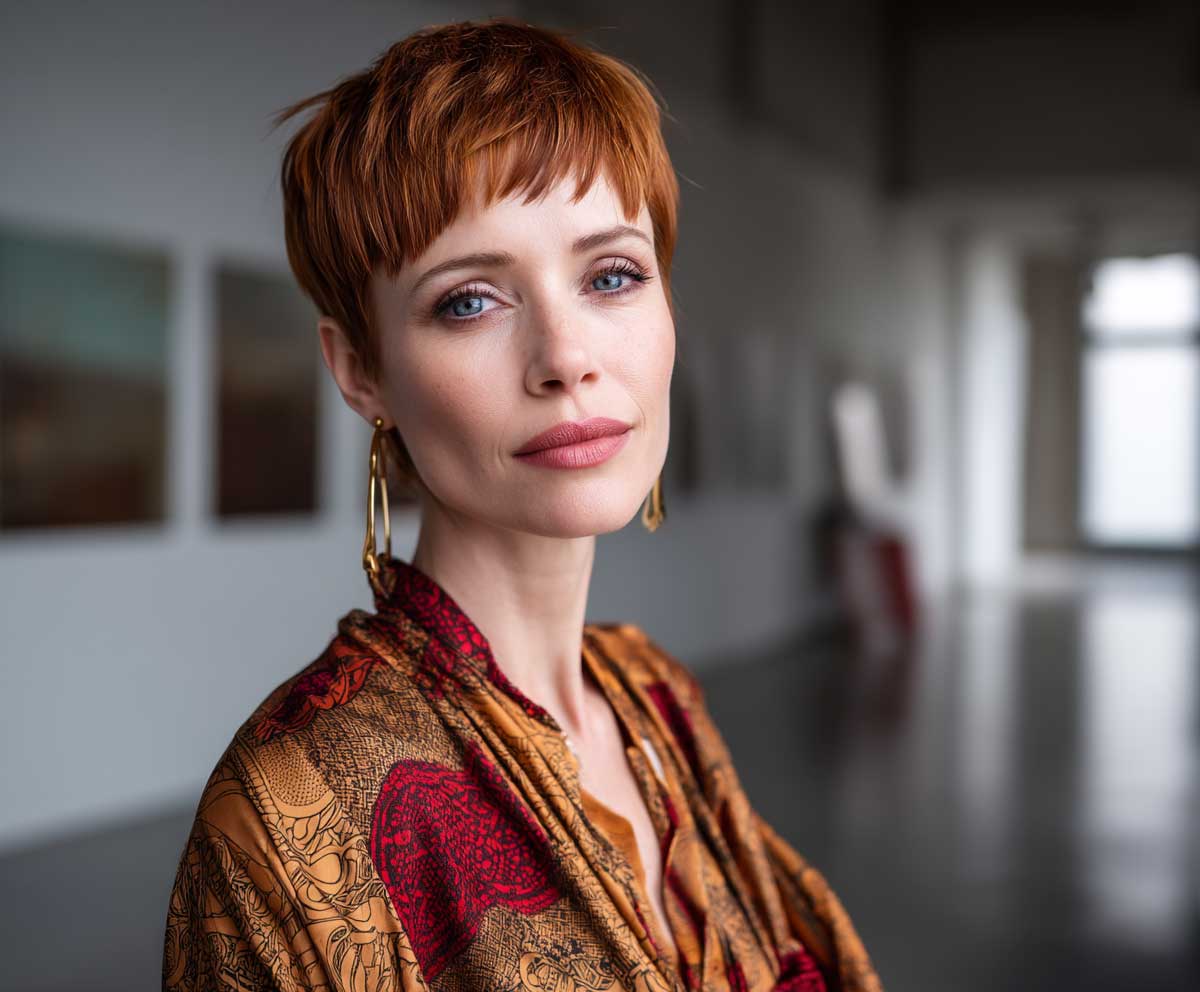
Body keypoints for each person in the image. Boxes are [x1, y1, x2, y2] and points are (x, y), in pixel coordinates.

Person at [162, 17, 882, 992]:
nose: (566, 356)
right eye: (469, 299)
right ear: (361, 369)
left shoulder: (658, 698)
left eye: (613, 275)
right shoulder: (284, 814)